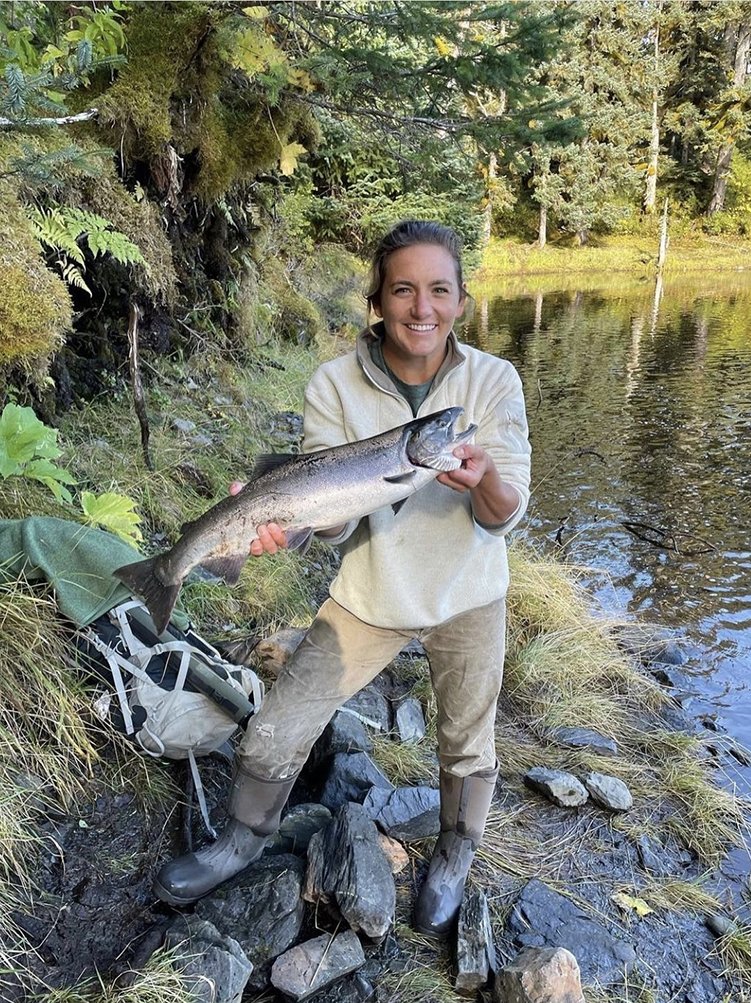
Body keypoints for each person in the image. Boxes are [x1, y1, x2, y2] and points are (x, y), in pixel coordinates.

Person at [154, 220, 531, 937]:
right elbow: (330, 522)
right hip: (369, 596)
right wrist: (278, 524)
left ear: (460, 299)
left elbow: (506, 508)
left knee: (467, 739)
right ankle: (241, 839)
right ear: (378, 300)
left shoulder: (493, 381)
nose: (422, 307)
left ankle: (453, 852)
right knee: (272, 732)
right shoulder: (333, 382)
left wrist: (480, 480)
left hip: (469, 593)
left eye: (439, 290)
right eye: (403, 290)